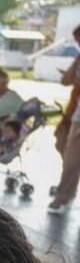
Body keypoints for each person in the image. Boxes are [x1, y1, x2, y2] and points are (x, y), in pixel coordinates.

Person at [49, 24, 80, 214]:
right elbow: (65, 81)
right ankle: (68, 188)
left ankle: (63, 193)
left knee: (72, 156)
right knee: (65, 148)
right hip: (75, 112)